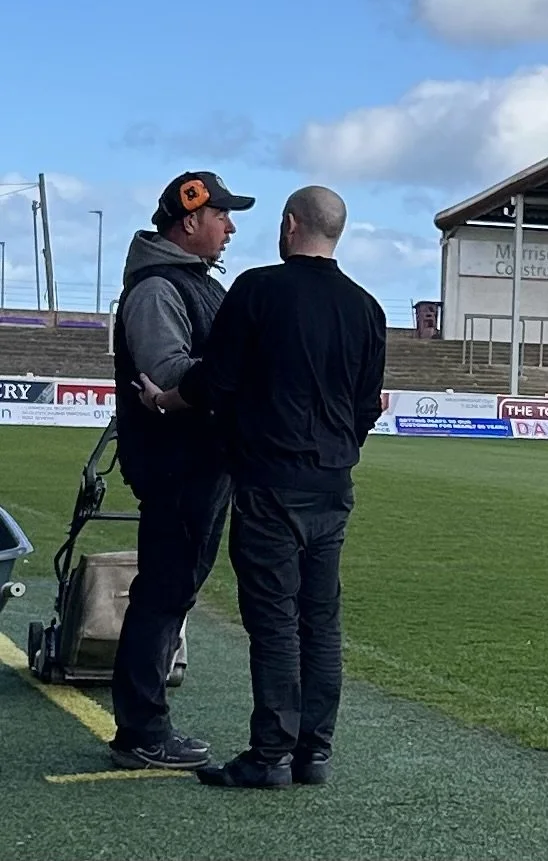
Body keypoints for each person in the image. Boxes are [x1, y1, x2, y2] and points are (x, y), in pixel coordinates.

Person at [140, 184, 386, 789]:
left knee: (274, 621)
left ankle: (269, 755)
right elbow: (365, 406)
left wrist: (164, 399)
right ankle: (314, 753)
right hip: (333, 485)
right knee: (320, 620)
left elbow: (215, 383)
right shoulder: (368, 308)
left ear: (289, 224)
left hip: (270, 483)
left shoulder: (257, 289)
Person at [109, 168, 256, 771]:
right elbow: (169, 371)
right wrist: (242, 379)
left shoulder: (188, 283)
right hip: (177, 463)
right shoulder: (159, 289)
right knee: (165, 591)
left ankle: (144, 724)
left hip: (194, 460)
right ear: (190, 219)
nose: (230, 226)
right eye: (222, 214)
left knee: (173, 589)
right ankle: (142, 729)